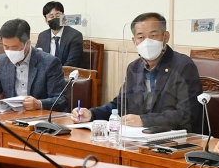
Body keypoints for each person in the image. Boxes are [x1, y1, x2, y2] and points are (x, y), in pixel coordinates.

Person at [71, 13, 202, 131]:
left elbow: (187, 115)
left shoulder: (183, 66)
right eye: (141, 37)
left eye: (154, 35)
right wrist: (92, 114)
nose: (147, 41)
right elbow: (120, 105)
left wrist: (144, 121)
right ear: (134, 41)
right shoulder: (134, 67)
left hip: (177, 140)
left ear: (165, 37)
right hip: (139, 139)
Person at [0, 18, 69, 111]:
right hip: (11, 117)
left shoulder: (49, 63)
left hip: (38, 117)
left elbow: (61, 100)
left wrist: (39, 104)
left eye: (14, 47)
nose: (10, 51)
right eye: (6, 46)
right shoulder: (2, 60)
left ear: (28, 44)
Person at [35, 1, 87, 68]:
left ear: (64, 17)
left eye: (57, 15)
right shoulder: (42, 36)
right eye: (51, 16)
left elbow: (71, 64)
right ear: (46, 20)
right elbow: (37, 59)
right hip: (47, 76)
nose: (55, 19)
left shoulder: (75, 36)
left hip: (66, 75)